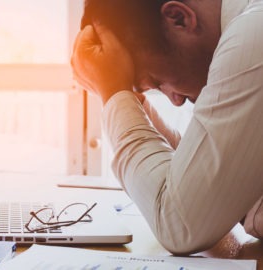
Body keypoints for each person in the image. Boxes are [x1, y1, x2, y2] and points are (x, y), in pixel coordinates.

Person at [71, 0, 263, 255]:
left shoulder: (253, 36)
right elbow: (211, 184)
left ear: (178, 18)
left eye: (157, 81)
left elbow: (181, 225)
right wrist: (124, 98)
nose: (175, 99)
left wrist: (114, 93)